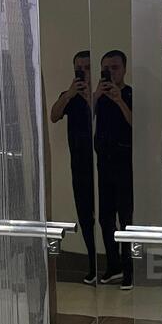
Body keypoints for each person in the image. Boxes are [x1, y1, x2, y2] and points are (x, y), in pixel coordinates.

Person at [50, 50, 97, 284]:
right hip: (79, 164)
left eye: (87, 68)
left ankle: (117, 265)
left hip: (104, 163)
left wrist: (90, 97)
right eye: (79, 68)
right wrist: (69, 94)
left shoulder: (102, 94)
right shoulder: (69, 96)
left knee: (109, 217)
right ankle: (93, 264)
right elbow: (54, 115)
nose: (83, 72)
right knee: (85, 215)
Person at [93, 48, 133, 289]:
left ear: (124, 69)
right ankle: (113, 266)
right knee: (105, 219)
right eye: (106, 69)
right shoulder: (98, 97)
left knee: (126, 219)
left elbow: (136, 124)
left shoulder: (129, 94)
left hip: (125, 165)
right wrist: (97, 95)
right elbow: (85, 119)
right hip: (103, 164)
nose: (111, 72)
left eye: (115, 68)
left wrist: (119, 100)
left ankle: (129, 270)